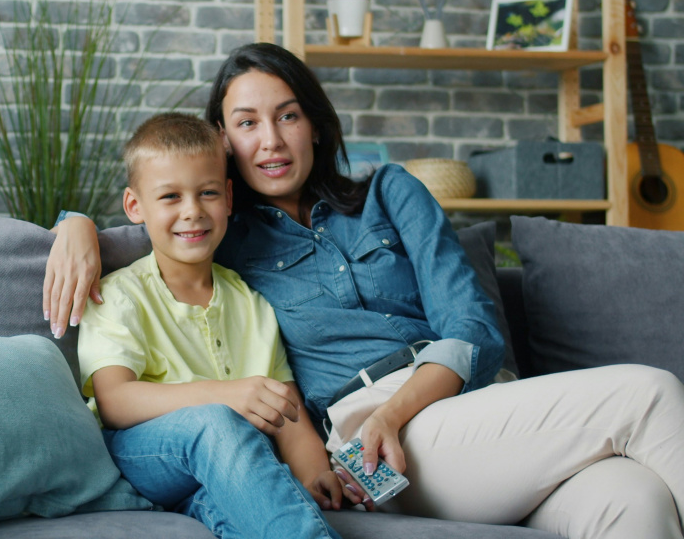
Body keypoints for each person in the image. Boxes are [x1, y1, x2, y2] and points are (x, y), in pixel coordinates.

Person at [46, 42, 684, 539]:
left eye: (287, 115)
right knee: (649, 391)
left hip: (470, 409)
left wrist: (395, 410)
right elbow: (156, 218)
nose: (269, 139)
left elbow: (473, 328)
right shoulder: (223, 235)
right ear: (223, 141)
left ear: (315, 124)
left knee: (633, 499)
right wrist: (73, 225)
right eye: (247, 123)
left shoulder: (391, 192)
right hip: (381, 443)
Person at [78, 112, 345, 539]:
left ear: (228, 197)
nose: (192, 212)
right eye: (170, 197)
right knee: (218, 422)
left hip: (223, 468)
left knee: (232, 511)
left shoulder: (251, 302)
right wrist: (225, 395)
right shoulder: (120, 294)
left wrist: (316, 472)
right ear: (135, 206)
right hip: (141, 457)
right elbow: (114, 401)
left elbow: (286, 412)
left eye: (206, 193)